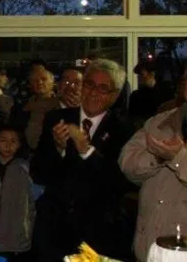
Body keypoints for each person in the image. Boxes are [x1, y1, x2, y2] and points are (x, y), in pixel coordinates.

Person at [30, 59, 134, 261]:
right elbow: (38, 172)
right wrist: (59, 148)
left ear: (114, 96)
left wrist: (87, 151)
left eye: (103, 88)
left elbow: (118, 183)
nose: (93, 92)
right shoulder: (56, 119)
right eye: (89, 84)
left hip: (99, 232)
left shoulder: (124, 129)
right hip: (53, 229)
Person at [119, 52, 187, 262]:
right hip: (148, 251)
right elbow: (127, 163)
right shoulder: (159, 121)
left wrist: (177, 157)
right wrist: (158, 158)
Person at [0, 126, 35, 262]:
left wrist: (27, 230)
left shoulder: (24, 169)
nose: (8, 145)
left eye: (13, 141)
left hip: (16, 238)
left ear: (19, 144)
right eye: (3, 140)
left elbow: (31, 204)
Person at [128, 59, 174, 127]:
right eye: (138, 75)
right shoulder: (136, 95)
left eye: (142, 74)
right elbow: (132, 116)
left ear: (152, 74)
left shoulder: (166, 91)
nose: (139, 78)